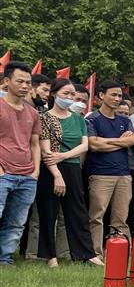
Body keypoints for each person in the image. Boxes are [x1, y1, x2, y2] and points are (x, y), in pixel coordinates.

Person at [37, 78, 101, 266]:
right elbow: (46, 151)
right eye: (66, 93)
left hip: (72, 167)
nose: (70, 97)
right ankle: (50, 256)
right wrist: (57, 175)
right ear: (54, 94)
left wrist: (63, 156)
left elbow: (84, 145)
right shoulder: (45, 118)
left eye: (72, 94)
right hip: (51, 169)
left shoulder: (78, 118)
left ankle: (86, 253)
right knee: (49, 212)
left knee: (78, 212)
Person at [85, 80, 134, 257]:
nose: (117, 98)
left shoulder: (125, 120)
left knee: (121, 218)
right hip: (100, 174)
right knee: (96, 216)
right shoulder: (92, 119)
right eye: (113, 94)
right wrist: (121, 142)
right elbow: (93, 145)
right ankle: (95, 253)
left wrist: (105, 142)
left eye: (119, 95)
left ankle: (120, 252)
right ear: (101, 95)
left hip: (123, 175)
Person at [0, 62, 42, 265]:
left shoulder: (33, 113)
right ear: (7, 81)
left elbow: (35, 144)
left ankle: (4, 259)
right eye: (20, 81)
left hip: (27, 176)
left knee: (16, 223)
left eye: (28, 82)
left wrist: (35, 171)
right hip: (3, 172)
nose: (25, 86)